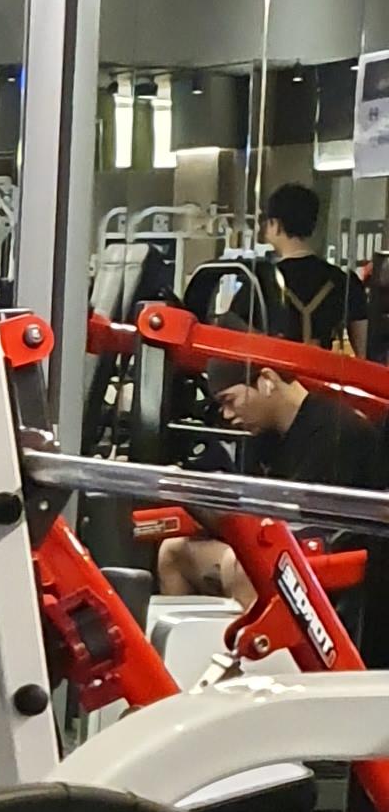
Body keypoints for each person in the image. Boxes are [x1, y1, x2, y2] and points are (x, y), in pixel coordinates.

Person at [154, 352, 382, 602]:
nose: (226, 415)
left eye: (230, 400)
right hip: (285, 545)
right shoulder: (261, 438)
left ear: (267, 380)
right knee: (174, 552)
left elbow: (305, 527)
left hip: (341, 560)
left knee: (245, 568)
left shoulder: (338, 431)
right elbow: (253, 512)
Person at [260, 183, 356, 352]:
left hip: (277, 367)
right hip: (323, 367)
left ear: (276, 224)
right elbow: (362, 352)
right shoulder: (345, 282)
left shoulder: (260, 281)